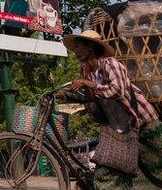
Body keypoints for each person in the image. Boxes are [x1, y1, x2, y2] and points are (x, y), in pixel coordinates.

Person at [59, 30, 162, 189]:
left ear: (91, 47)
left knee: (156, 171)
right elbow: (91, 96)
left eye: (79, 47)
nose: (75, 52)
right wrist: (66, 96)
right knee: (108, 174)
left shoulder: (111, 64)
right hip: (120, 130)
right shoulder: (89, 73)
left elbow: (117, 91)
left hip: (143, 123)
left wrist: (89, 84)